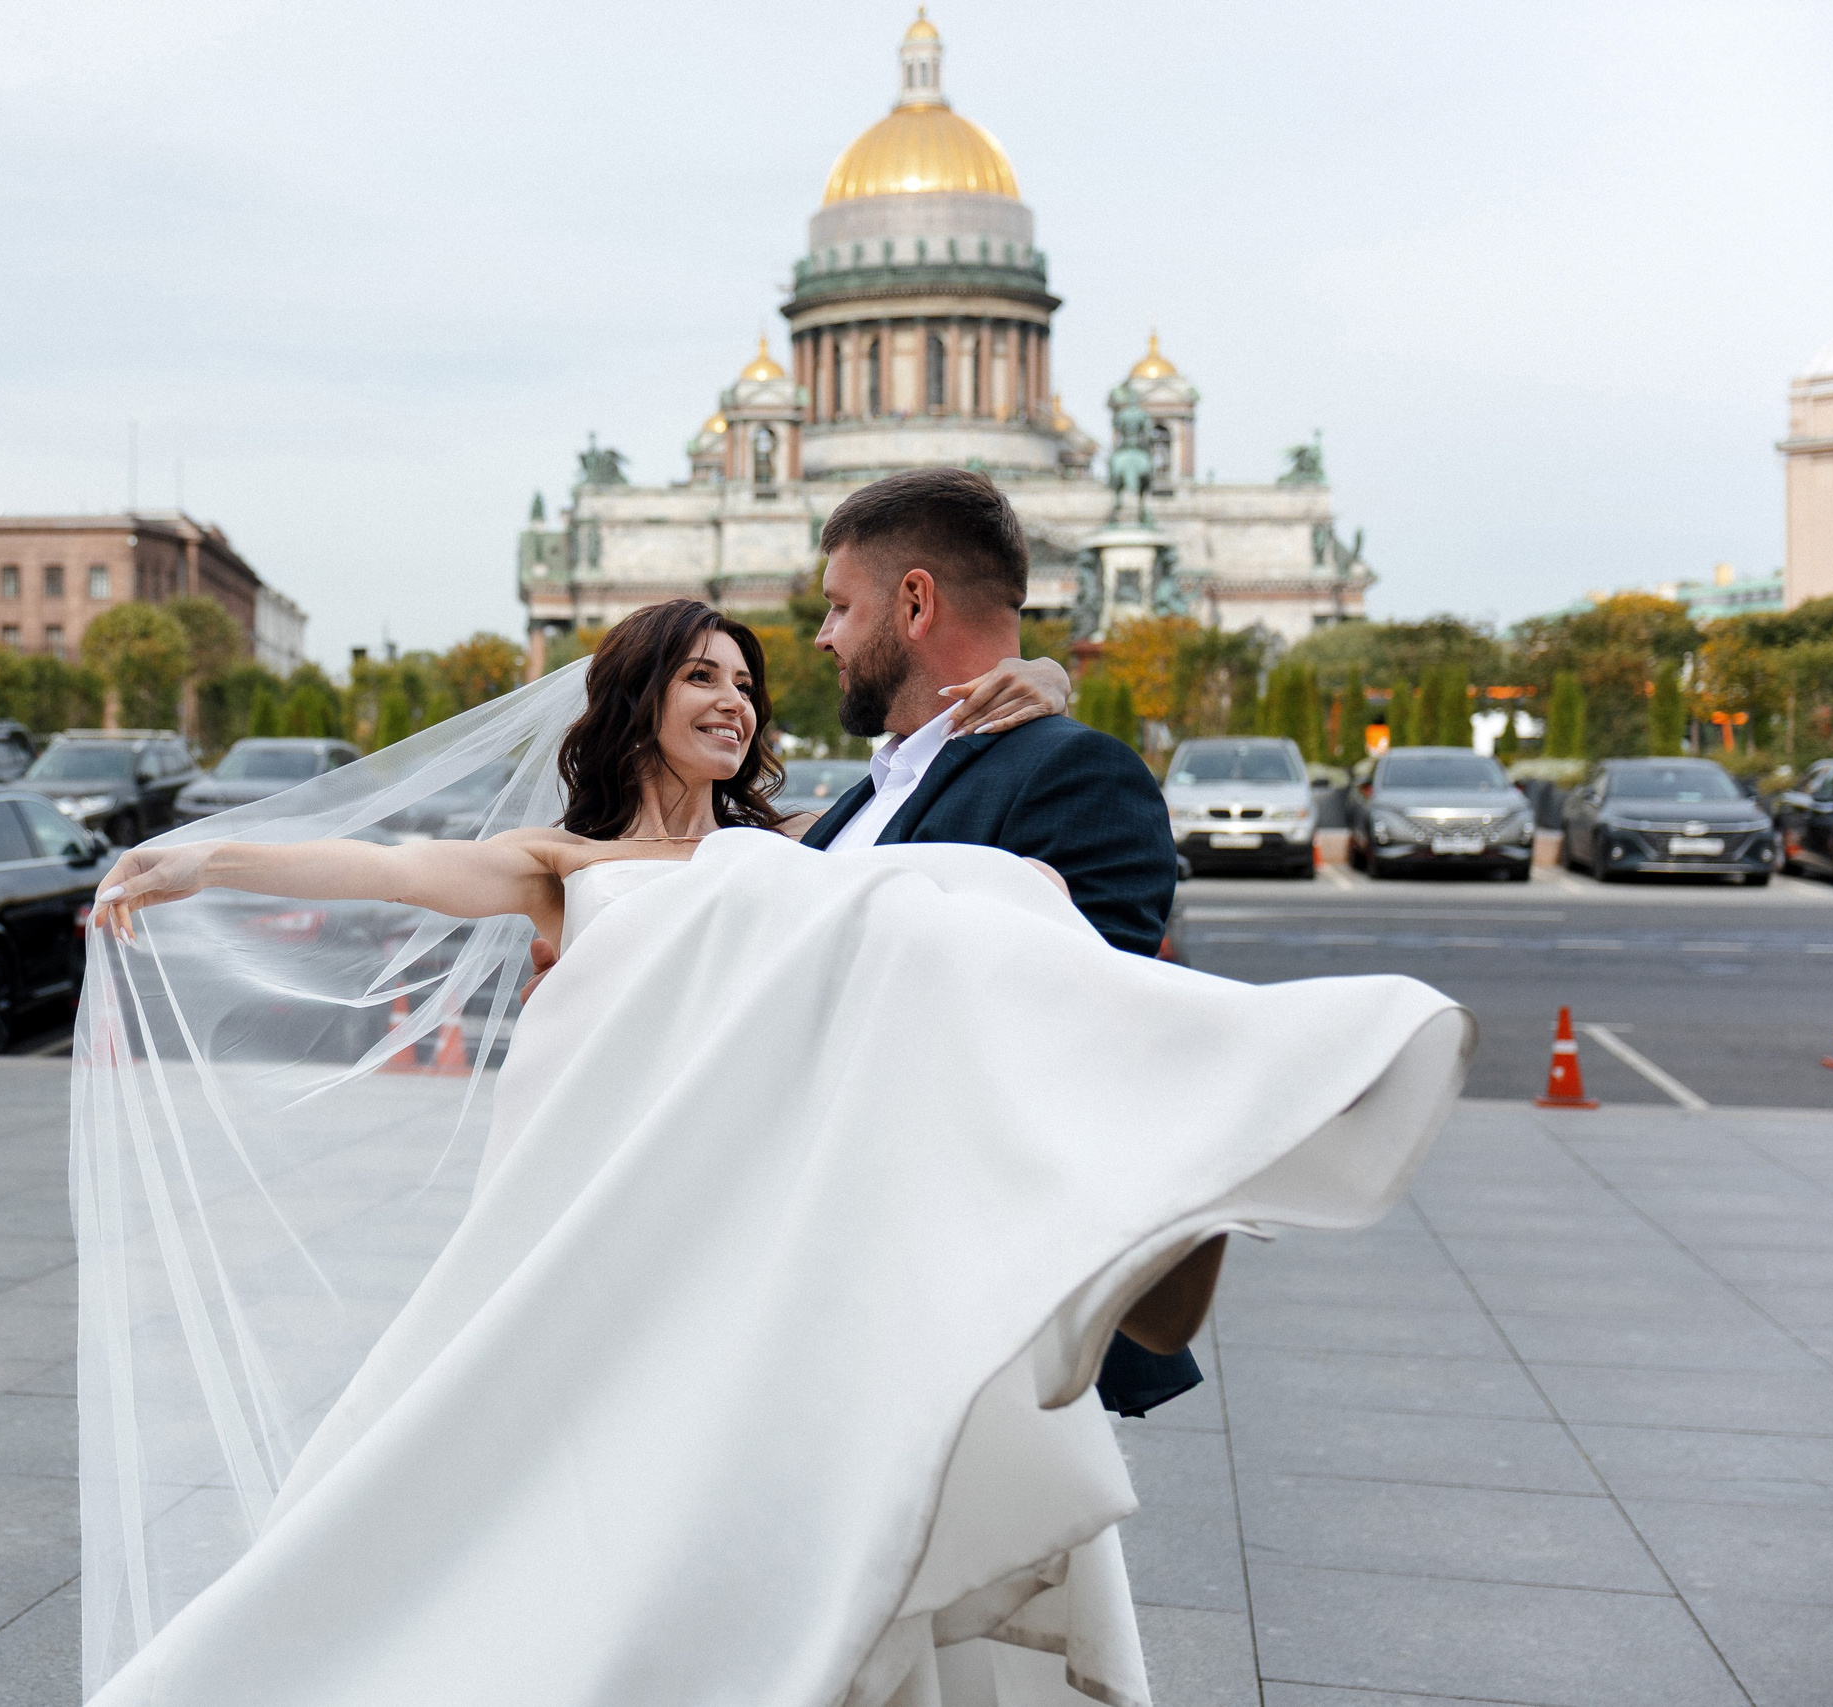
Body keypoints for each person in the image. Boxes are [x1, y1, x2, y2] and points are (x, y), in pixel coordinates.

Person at [78, 596, 1468, 1707]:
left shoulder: (802, 846)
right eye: (700, 676)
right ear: (636, 702)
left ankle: (1177, 1122)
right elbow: (384, 870)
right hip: (594, 1224)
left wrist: (1036, 679)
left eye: (746, 681)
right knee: (542, 1501)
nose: (734, 699)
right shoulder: (561, 863)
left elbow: (933, 835)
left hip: (744, 1240)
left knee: (968, 904)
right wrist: (204, 861)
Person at [803, 467, 1208, 1414]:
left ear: (914, 602)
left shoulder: (1075, 775)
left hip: (961, 1308)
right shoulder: (871, 793)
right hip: (842, 1283)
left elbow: (1070, 1036)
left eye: (837, 607)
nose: (822, 635)